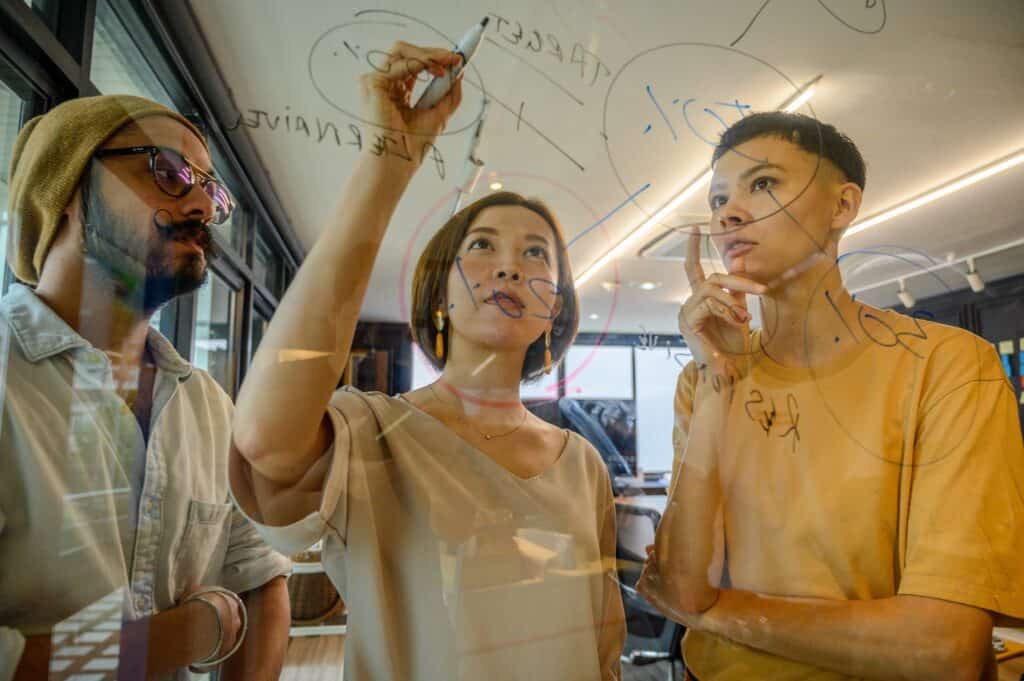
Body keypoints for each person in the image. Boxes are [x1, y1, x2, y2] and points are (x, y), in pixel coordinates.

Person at [229, 41, 625, 680]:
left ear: (556, 309)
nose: (508, 264)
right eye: (482, 245)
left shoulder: (581, 465)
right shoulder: (371, 434)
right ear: (439, 295)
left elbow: (603, 649)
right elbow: (265, 439)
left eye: (535, 255)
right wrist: (388, 164)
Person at [638, 111, 1024, 681]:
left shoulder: (949, 367)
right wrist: (718, 378)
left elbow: (942, 650)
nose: (729, 213)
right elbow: (677, 582)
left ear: (842, 206)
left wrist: (716, 613)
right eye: (718, 199)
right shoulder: (704, 380)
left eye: (763, 183)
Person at [0, 95, 291, 681]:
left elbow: (259, 577)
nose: (203, 205)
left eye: (212, 189)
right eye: (168, 171)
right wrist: (179, 635)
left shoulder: (207, 404)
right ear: (64, 188)